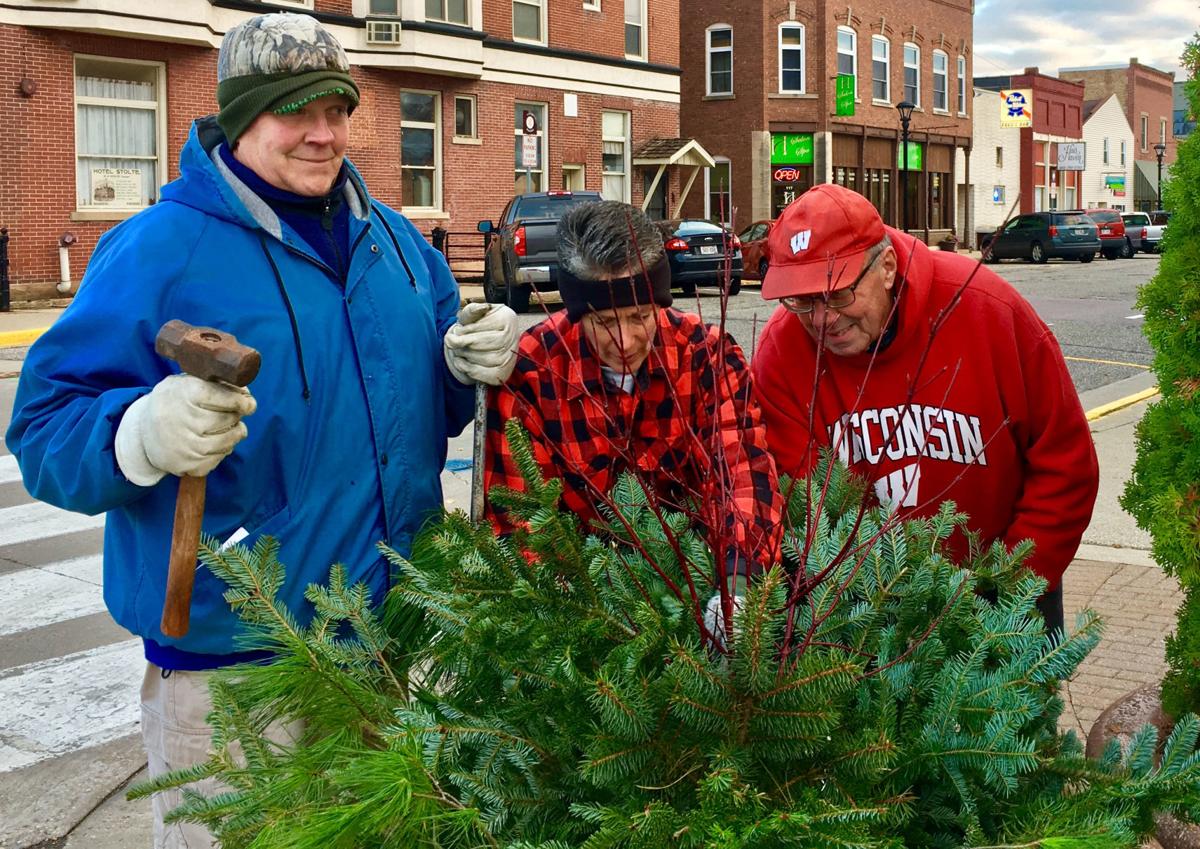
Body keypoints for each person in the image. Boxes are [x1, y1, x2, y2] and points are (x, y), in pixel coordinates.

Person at [5, 12, 516, 848]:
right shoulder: (158, 250)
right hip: (234, 671)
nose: (323, 133)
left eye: (337, 109)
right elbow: (43, 428)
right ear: (241, 118)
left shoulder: (395, 245)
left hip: (387, 650)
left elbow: (422, 409)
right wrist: (137, 433)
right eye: (294, 111)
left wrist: (461, 369)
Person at [751, 183, 1099, 634]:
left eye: (837, 293)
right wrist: (863, 605)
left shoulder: (988, 310)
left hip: (1004, 594)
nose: (821, 318)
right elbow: (798, 502)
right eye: (801, 299)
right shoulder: (782, 352)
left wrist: (1009, 587)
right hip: (860, 610)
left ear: (887, 268)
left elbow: (1064, 462)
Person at [483, 201, 783, 635]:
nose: (624, 341)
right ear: (577, 312)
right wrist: (570, 614)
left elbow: (741, 472)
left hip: (695, 578)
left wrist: (738, 582)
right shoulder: (530, 372)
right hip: (579, 594)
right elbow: (519, 516)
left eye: (640, 316)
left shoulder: (708, 356)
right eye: (604, 321)